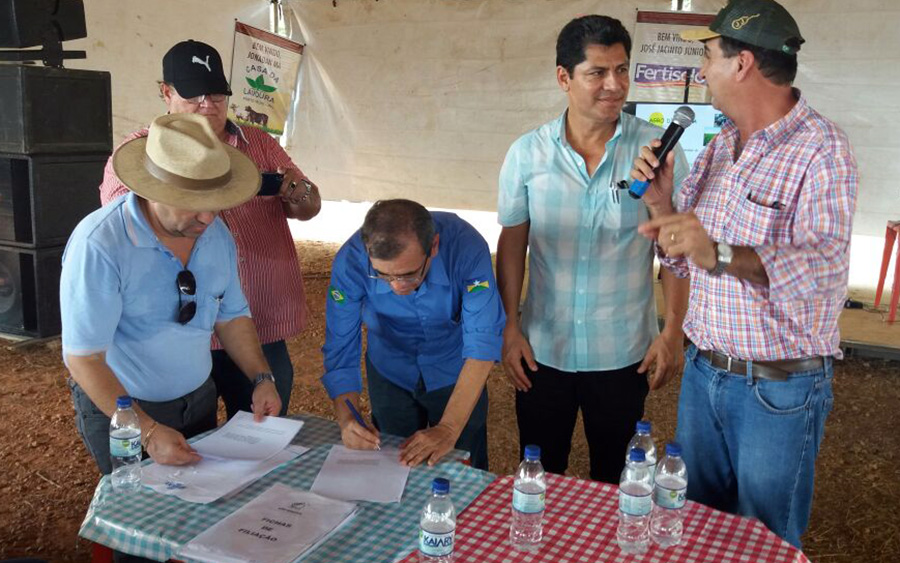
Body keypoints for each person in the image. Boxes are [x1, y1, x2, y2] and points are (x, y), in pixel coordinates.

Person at [632, 0, 857, 548]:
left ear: (743, 63)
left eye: (708, 55)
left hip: (776, 389)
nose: (701, 70)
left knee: (765, 542)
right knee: (697, 529)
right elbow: (688, 256)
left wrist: (725, 254)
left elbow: (825, 267)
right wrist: (662, 208)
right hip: (706, 377)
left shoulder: (822, 149)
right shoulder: (719, 148)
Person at [495, 15, 690, 484]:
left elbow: (676, 246)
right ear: (564, 77)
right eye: (597, 73)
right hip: (543, 349)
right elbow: (513, 240)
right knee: (541, 473)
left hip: (623, 351)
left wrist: (674, 330)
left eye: (622, 70)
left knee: (618, 474)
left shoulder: (657, 151)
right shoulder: (527, 153)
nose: (614, 85)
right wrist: (511, 326)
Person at [99, 40, 321, 419]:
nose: (208, 103)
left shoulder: (259, 144)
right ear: (166, 92)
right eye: (194, 94)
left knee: (261, 434)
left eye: (217, 93)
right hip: (179, 334)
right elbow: (126, 235)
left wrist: (297, 192)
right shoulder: (139, 156)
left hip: (256, 324)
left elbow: (310, 204)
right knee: (190, 449)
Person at [62, 113, 282, 476]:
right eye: (193, 203)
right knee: (139, 513)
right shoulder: (101, 244)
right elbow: (84, 357)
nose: (208, 218)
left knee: (196, 506)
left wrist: (261, 378)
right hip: (127, 410)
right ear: (152, 191)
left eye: (216, 203)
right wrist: (145, 431)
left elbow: (232, 316)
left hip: (197, 399)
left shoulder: (216, 234)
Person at [321, 199, 505, 470]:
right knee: (394, 462)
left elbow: (483, 339)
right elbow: (341, 344)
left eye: (408, 275)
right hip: (390, 367)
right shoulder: (351, 260)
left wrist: (449, 428)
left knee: (464, 463)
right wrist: (347, 417)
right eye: (383, 276)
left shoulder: (466, 247)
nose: (397, 286)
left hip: (454, 368)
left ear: (434, 247)